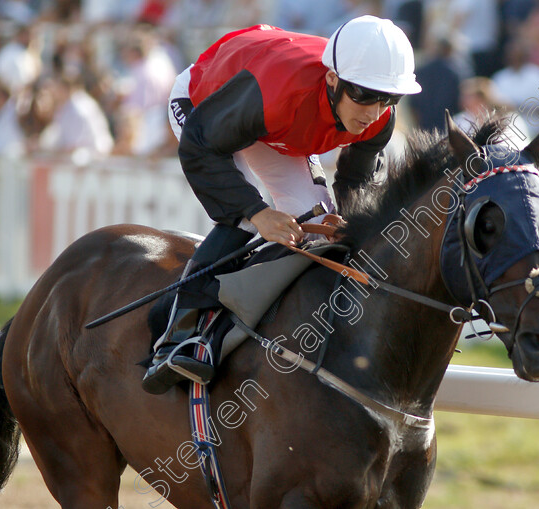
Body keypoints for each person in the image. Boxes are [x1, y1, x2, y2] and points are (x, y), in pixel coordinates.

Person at [141, 15, 421, 394]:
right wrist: (258, 213)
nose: (374, 110)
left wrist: (352, 224)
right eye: (364, 95)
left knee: (321, 221)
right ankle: (181, 333)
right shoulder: (274, 92)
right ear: (333, 79)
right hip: (208, 106)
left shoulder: (379, 117)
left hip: (273, 118)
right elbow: (200, 145)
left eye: (387, 97)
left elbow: (356, 185)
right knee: (243, 221)